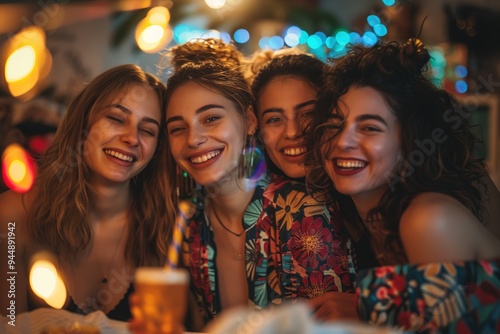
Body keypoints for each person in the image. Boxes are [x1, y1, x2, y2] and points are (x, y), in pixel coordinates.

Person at [305, 38, 500, 331]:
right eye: (334, 125)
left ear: (409, 143)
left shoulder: (427, 219)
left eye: (370, 128)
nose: (342, 141)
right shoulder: (356, 217)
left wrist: (368, 309)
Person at [0, 64, 175, 321]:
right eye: (116, 118)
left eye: (147, 130)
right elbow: (9, 323)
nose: (131, 138)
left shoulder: (165, 228)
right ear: (83, 123)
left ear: (157, 148)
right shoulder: (13, 216)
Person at [249, 52, 357, 320]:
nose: (293, 132)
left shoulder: (370, 189)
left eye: (307, 113)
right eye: (275, 119)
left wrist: (373, 308)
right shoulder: (270, 201)